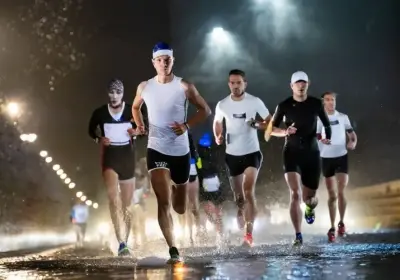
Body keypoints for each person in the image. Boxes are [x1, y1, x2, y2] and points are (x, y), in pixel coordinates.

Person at [132, 42, 211, 263]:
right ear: (153, 62)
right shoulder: (144, 87)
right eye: (159, 60)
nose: (163, 63)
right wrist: (140, 126)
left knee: (179, 206)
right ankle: (173, 249)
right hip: (156, 148)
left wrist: (186, 125)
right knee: (163, 202)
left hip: (180, 151)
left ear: (172, 61)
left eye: (167, 59)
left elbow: (205, 110)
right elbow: (135, 107)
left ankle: (179, 188)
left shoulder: (184, 86)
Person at [268, 71, 332, 246]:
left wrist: (327, 137)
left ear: (308, 84)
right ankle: (298, 235)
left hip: (312, 153)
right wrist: (285, 132)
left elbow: (326, 124)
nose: (301, 86)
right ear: (291, 86)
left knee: (309, 198)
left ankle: (310, 208)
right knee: (294, 194)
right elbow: (270, 130)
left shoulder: (315, 104)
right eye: (297, 83)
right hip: (292, 152)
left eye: (303, 82)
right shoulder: (284, 105)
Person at [213, 69, 271, 247]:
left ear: (245, 83)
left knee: (248, 191)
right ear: (228, 84)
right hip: (232, 155)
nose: (236, 86)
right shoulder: (222, 104)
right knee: (239, 198)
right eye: (232, 83)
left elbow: (270, 122)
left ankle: (248, 234)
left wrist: (257, 124)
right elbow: (217, 122)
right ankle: (241, 210)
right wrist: (218, 136)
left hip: (252, 153)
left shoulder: (254, 101)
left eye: (239, 82)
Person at [88, 79, 137, 256]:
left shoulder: (133, 110)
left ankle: (127, 239)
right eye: (111, 92)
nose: (114, 96)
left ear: (123, 94)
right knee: (113, 199)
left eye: (118, 92)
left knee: (127, 205)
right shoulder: (100, 113)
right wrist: (98, 139)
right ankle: (121, 242)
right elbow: (90, 130)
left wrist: (137, 131)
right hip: (110, 159)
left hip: (128, 159)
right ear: (107, 93)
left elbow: (144, 128)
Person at [317, 92, 357, 242]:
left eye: (333, 99)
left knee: (341, 191)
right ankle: (332, 226)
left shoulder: (343, 117)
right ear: (323, 103)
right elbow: (316, 135)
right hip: (326, 158)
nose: (331, 102)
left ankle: (341, 223)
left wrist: (352, 142)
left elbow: (352, 135)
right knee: (332, 195)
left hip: (341, 156)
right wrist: (322, 139)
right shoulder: (319, 117)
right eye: (327, 100)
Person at [197, 133, 225, 245]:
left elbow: (199, 171)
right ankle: (220, 236)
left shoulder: (199, 156)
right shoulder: (214, 154)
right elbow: (219, 169)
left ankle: (205, 235)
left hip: (206, 185)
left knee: (207, 211)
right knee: (217, 213)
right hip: (215, 184)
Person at [176, 133, 202, 247]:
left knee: (192, 207)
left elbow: (199, 164)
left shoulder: (188, 143)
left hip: (190, 174)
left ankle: (194, 234)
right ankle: (189, 235)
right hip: (185, 174)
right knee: (187, 208)